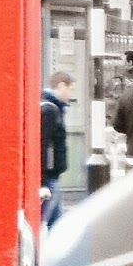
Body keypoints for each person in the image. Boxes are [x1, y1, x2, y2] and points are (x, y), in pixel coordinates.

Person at [40, 70, 75, 227]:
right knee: (46, 222)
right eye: (70, 89)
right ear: (61, 86)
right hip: (50, 177)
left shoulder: (52, 107)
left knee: (55, 223)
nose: (71, 94)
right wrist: (41, 181)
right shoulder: (50, 110)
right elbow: (43, 145)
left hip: (51, 175)